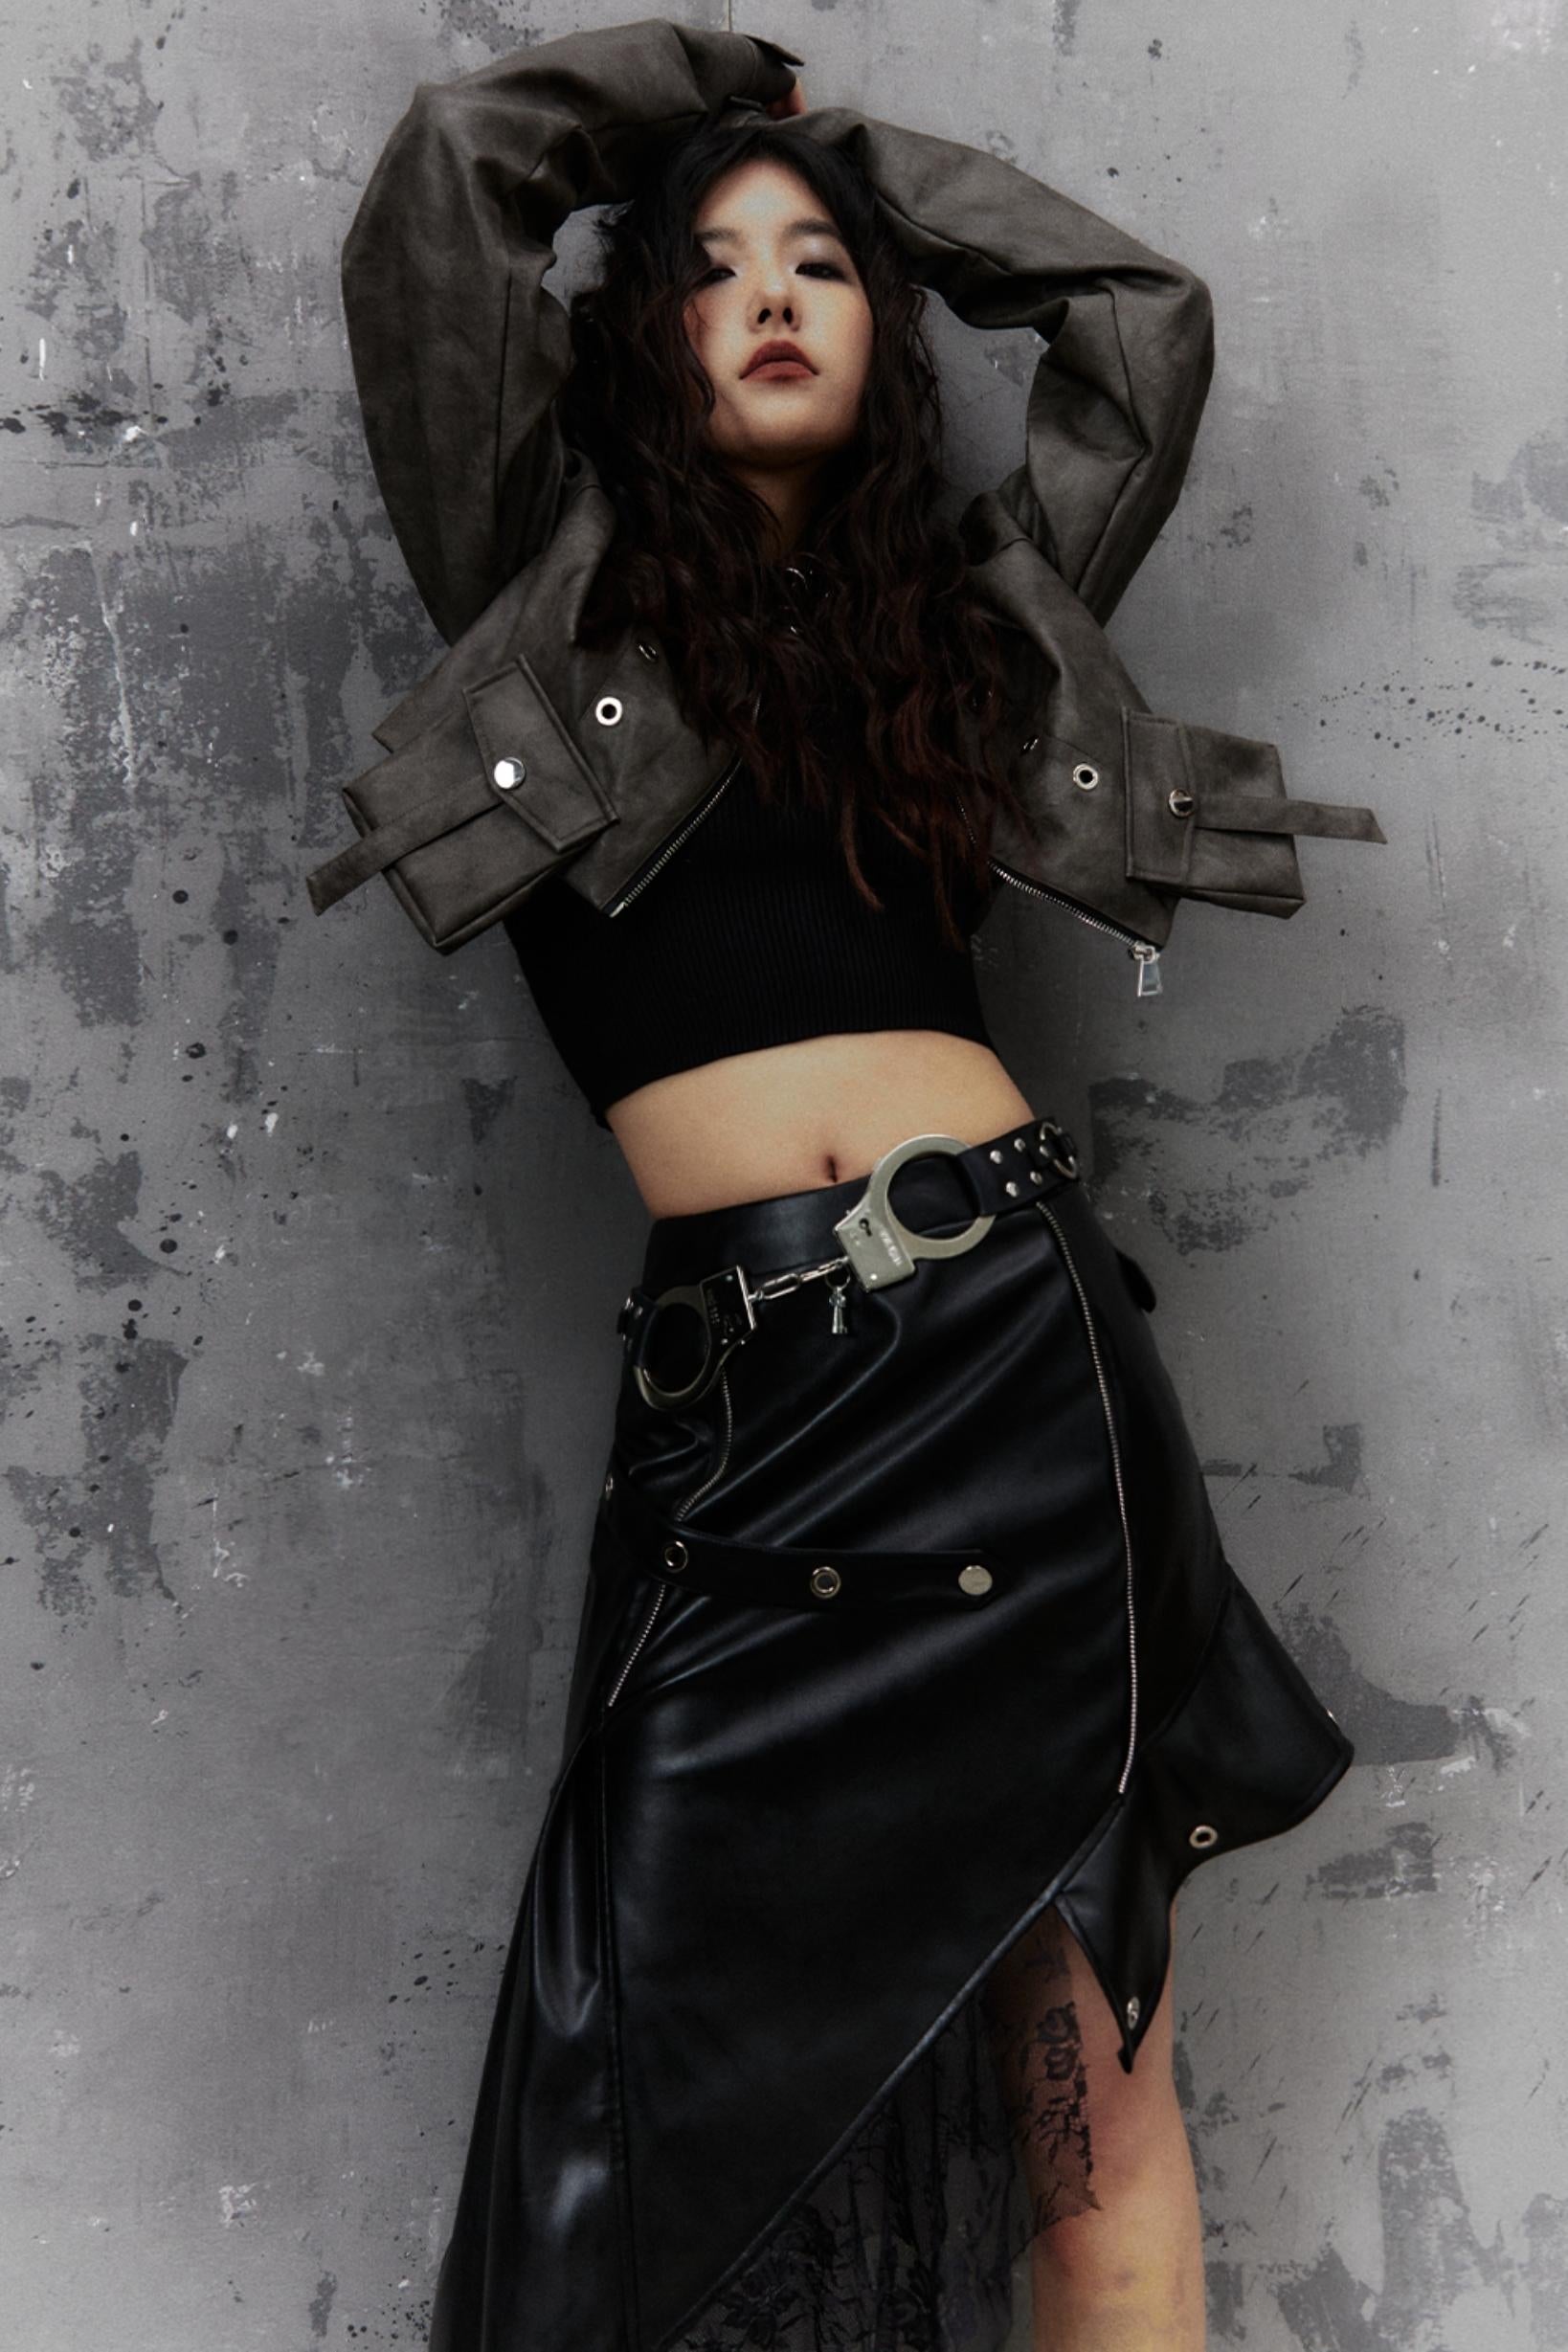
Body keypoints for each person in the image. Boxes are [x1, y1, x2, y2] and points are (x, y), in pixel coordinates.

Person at [321, 20, 1372, 2350]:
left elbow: (1138, 323)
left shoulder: (980, 628)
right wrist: (724, 87)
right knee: (592, 2148)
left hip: (1017, 1376)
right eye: (712, 268)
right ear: (642, 335)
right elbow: (450, 177)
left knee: (1093, 2101)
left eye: (818, 267)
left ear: (886, 323)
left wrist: (859, 178)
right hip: (758, 1424)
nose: (773, 295)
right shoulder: (544, 597)